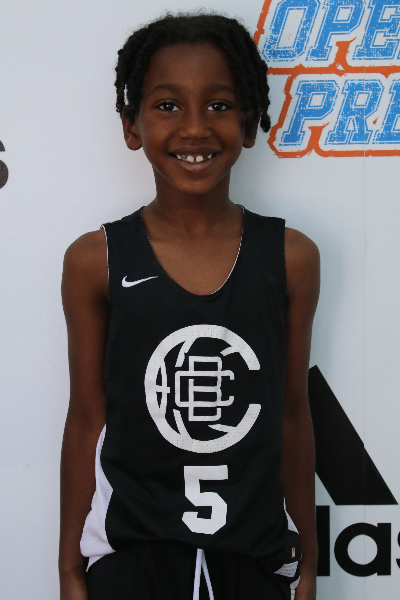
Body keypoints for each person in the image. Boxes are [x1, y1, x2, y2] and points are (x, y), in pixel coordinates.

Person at [59, 12, 320, 600]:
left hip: (253, 560)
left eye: (219, 105)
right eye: (168, 105)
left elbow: (291, 414)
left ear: (249, 123)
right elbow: (87, 420)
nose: (195, 128)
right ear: (132, 125)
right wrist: (70, 569)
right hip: (133, 562)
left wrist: (307, 562)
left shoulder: (291, 257)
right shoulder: (95, 260)